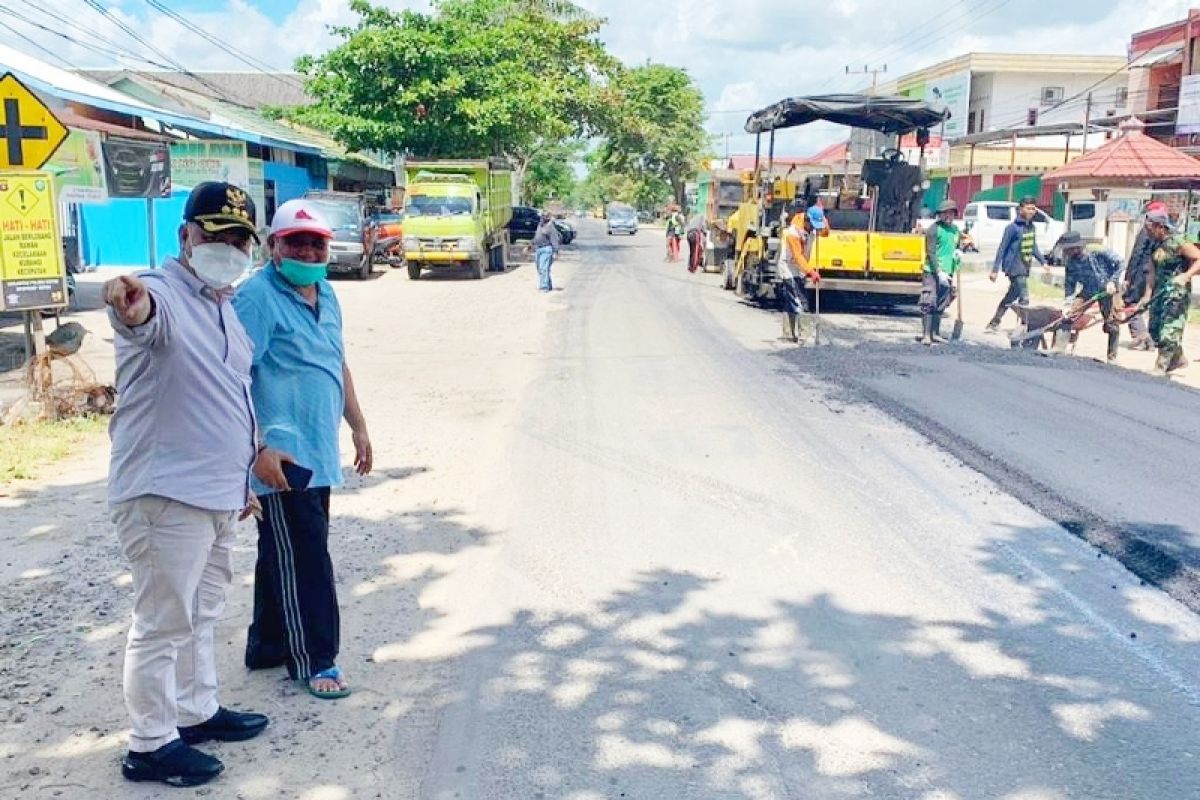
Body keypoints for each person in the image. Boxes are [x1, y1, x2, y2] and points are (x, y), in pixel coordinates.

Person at [106, 181, 268, 788]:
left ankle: (194, 712)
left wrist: (240, 477)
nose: (226, 246)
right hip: (166, 494)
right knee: (161, 619)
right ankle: (149, 744)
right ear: (185, 237)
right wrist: (130, 305)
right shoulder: (165, 293)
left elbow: (232, 396)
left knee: (203, 612)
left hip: (217, 492)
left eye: (238, 238)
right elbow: (139, 316)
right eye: (215, 234)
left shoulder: (222, 304)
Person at [232, 199, 374, 699]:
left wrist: (357, 426)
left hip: (320, 448)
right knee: (308, 557)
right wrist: (257, 447)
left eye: (317, 243)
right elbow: (233, 377)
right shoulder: (255, 297)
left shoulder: (328, 294)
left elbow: (337, 364)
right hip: (281, 455)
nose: (308, 251)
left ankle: (266, 644)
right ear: (274, 246)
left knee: (283, 551)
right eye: (296, 242)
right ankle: (316, 658)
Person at [1141, 208, 1200, 375]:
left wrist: (1186, 276)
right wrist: (1147, 295)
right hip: (1160, 291)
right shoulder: (1153, 244)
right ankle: (1177, 358)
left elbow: (1199, 258)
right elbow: (1151, 271)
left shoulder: (1178, 242)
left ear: (1160, 227)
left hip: (1176, 292)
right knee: (1155, 329)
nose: (1147, 231)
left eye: (1149, 227)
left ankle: (1161, 366)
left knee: (1170, 328)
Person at [1053, 231, 1122, 361]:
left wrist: (1113, 281)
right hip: (1089, 290)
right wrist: (1068, 304)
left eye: (1067, 250)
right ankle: (1058, 348)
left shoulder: (1096, 250)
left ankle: (1112, 357)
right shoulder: (1071, 263)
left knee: (1111, 322)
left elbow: (1120, 262)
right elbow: (1069, 286)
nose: (1065, 253)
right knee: (1069, 315)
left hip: (1108, 289)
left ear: (1075, 247)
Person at [985, 196, 1046, 332]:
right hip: (1013, 266)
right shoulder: (1012, 228)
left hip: (1025, 265)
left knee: (1012, 296)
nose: (1031, 211)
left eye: (1033, 209)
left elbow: (1033, 246)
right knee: (1024, 296)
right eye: (1028, 208)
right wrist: (995, 270)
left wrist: (1043, 261)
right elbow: (1002, 248)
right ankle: (1025, 326)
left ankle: (994, 322)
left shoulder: (1032, 227)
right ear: (1020, 210)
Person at [919, 199, 965, 345]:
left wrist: (959, 251)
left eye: (951, 213)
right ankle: (926, 334)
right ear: (940, 215)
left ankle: (935, 333)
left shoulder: (955, 230)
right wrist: (938, 271)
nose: (948, 216)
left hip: (949, 270)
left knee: (941, 302)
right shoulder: (934, 229)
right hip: (932, 272)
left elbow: (957, 245)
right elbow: (931, 252)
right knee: (929, 301)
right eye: (945, 213)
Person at [1121, 202, 1165, 350]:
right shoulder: (1162, 234)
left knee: (1131, 302)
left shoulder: (1146, 231)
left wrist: (1128, 277)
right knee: (1148, 305)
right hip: (1155, 274)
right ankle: (1150, 339)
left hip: (1141, 272)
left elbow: (1137, 254)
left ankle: (1140, 337)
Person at [776, 211, 821, 343]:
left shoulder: (810, 229)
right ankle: (804, 336)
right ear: (806, 222)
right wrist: (811, 272)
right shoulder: (792, 233)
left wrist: (823, 219)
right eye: (813, 225)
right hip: (788, 268)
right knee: (800, 301)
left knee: (791, 300)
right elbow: (797, 255)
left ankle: (788, 334)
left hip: (798, 269)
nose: (815, 228)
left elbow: (826, 232)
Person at [532, 212, 562, 292]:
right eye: (542, 216)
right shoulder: (540, 225)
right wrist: (529, 246)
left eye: (545, 216)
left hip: (546, 249)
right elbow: (536, 237)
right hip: (538, 249)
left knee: (543, 268)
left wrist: (556, 252)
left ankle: (544, 287)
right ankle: (548, 285)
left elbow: (554, 240)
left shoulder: (550, 227)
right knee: (539, 268)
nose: (543, 217)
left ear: (548, 217)